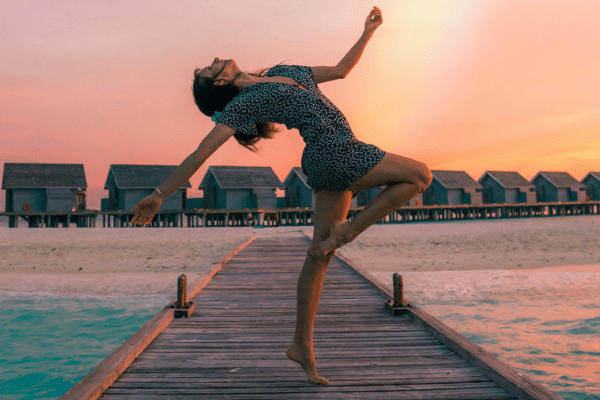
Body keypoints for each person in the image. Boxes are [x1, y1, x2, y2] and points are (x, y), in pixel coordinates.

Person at [131, 6, 432, 385]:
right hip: (337, 153)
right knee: (420, 175)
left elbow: (341, 70)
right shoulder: (246, 103)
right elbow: (200, 154)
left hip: (328, 160)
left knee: (319, 255)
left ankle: (301, 346)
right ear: (220, 84)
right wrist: (159, 195)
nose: (215, 60)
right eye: (210, 68)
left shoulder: (287, 73)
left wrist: (367, 32)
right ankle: (348, 232)